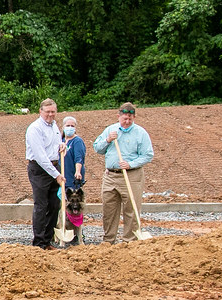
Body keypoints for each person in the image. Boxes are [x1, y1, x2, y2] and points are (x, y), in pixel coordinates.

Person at [92, 102, 154, 243]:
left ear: (134, 118)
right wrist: (107, 140)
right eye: (124, 118)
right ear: (118, 116)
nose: (127, 122)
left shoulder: (140, 133)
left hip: (132, 175)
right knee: (109, 209)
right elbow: (97, 148)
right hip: (111, 176)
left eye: (130, 119)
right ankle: (108, 240)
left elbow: (148, 155)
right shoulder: (110, 130)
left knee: (131, 209)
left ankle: (129, 241)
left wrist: (130, 164)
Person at [25, 98, 66, 250]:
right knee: (41, 206)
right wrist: (56, 175)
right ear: (40, 112)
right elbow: (41, 156)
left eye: (53, 112)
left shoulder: (54, 125)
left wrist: (61, 146)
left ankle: (47, 240)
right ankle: (39, 243)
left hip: (54, 167)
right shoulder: (35, 128)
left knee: (54, 205)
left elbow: (53, 146)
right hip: (40, 170)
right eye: (47, 112)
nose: (50, 115)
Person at [62, 116, 85, 191]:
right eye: (68, 125)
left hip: (72, 175)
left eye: (72, 126)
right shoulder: (61, 141)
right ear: (63, 127)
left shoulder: (77, 141)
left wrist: (78, 171)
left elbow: (79, 158)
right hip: (62, 174)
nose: (70, 128)